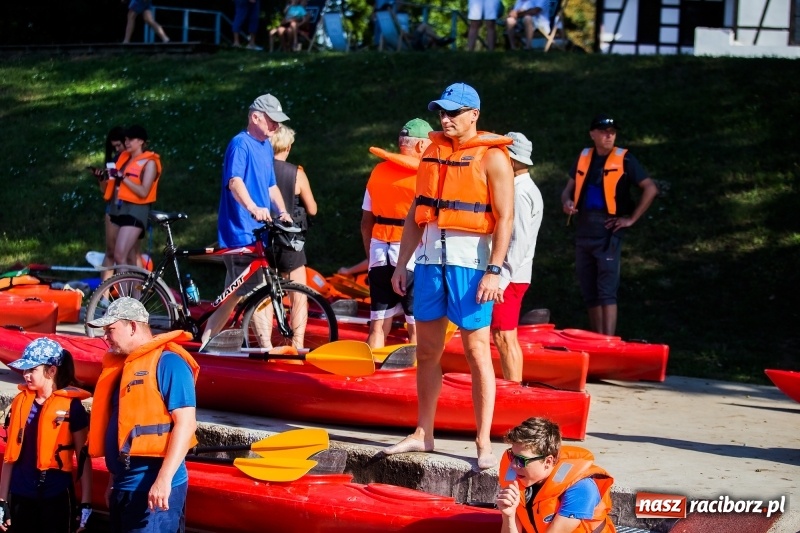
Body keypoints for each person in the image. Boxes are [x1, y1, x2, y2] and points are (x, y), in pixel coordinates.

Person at [385, 83, 515, 469]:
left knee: (477, 353)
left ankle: (483, 441)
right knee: (427, 352)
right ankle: (424, 433)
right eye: (442, 112)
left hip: (471, 268)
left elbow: (505, 218)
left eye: (454, 112)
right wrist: (401, 263)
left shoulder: (493, 158)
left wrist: (494, 270)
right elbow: (415, 213)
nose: (445, 119)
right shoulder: (432, 153)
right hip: (428, 264)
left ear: (474, 114)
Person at [86, 297, 199, 533]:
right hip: (123, 487)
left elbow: (186, 424)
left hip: (154, 491)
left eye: (111, 329)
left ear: (133, 326)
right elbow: (120, 428)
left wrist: (163, 480)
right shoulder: (122, 369)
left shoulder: (169, 363)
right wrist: (112, 481)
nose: (105, 336)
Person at [200, 94, 293, 349]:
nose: (276, 127)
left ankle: (205, 342)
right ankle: (267, 349)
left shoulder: (265, 146)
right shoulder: (240, 144)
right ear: (255, 117)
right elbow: (235, 182)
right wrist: (253, 208)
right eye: (272, 121)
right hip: (240, 230)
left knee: (231, 295)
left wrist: (282, 211)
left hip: (257, 232)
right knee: (258, 293)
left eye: (277, 123)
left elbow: (271, 185)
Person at [560, 115, 659, 336]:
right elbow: (568, 190)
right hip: (584, 230)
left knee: (606, 291)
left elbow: (650, 188)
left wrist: (631, 218)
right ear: (592, 134)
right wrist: (567, 202)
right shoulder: (584, 157)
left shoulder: (625, 159)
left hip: (608, 232)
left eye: (612, 132)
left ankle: (608, 341)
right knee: (590, 291)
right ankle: (597, 339)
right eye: (604, 131)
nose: (609, 135)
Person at [0, 338, 93, 533]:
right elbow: (10, 456)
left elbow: (83, 459)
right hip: (21, 493)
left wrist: (86, 502)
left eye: (31, 370)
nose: (26, 375)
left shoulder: (72, 408)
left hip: (57, 495)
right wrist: (1, 501)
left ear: (51, 371)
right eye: (24, 370)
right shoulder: (19, 404)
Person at [361, 118, 432, 349]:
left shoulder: (378, 171)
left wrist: (370, 258)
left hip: (379, 250)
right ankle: (418, 380)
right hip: (412, 255)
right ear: (421, 147)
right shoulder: (426, 175)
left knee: (378, 326)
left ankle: (372, 378)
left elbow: (365, 222)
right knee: (415, 326)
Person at [495, 417, 616, 533]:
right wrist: (509, 516)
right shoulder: (517, 482)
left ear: (548, 461)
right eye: (512, 456)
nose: (513, 466)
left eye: (522, 460)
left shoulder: (581, 489)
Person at [492, 132, 543, 382]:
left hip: (510, 277)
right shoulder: (522, 189)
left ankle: (513, 391)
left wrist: (500, 279)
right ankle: (514, 389)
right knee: (504, 335)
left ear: (510, 159)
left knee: (504, 335)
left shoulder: (520, 193)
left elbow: (518, 241)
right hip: (513, 275)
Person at [264, 123, 318, 348]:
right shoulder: (297, 173)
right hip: (289, 242)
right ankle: (297, 342)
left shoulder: (260, 170)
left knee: (265, 296)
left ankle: (265, 343)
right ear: (287, 146)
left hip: (265, 239)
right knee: (299, 295)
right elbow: (312, 209)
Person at [100, 125, 161, 287]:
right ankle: (132, 298)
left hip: (137, 211)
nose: (127, 142)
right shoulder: (124, 159)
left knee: (121, 255)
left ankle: (126, 301)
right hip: (120, 210)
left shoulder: (150, 163)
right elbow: (110, 186)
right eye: (125, 139)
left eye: (130, 139)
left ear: (140, 141)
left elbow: (144, 191)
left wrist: (122, 178)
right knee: (125, 256)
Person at [92, 127, 147, 288]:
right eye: (114, 147)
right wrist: (101, 178)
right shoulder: (115, 161)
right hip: (113, 208)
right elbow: (105, 190)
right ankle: (103, 297)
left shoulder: (139, 161)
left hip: (132, 210)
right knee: (111, 251)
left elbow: (143, 189)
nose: (117, 150)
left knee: (131, 254)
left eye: (119, 145)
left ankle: (135, 295)